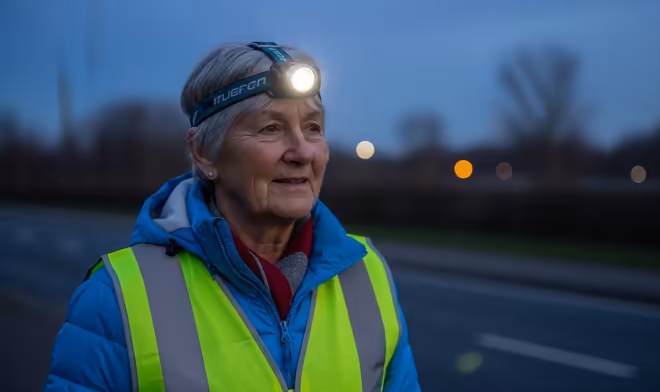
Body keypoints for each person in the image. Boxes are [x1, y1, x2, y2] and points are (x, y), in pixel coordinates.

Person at [44, 42, 421, 391]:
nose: (302, 152)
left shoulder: (367, 272)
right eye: (270, 129)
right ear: (205, 153)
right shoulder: (116, 297)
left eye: (313, 127)